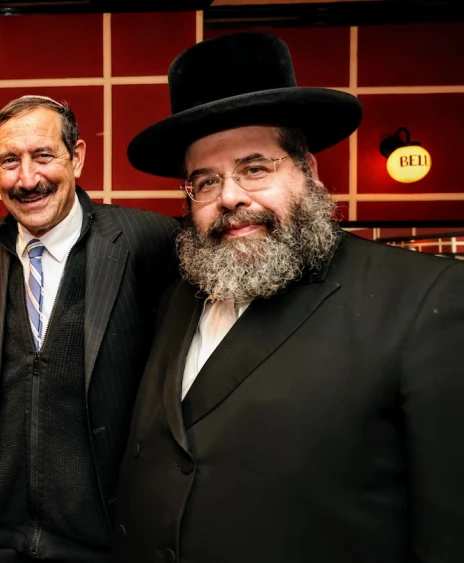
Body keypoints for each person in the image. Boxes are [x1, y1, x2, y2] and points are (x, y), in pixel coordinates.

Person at [113, 32, 464, 563]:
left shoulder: (424, 299)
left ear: (308, 172)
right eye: (205, 182)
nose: (230, 197)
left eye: (255, 168)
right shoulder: (180, 296)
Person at [0, 95, 179, 563]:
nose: (27, 179)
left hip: (103, 539)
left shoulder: (149, 241)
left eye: (44, 156)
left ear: (76, 156)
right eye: (10, 161)